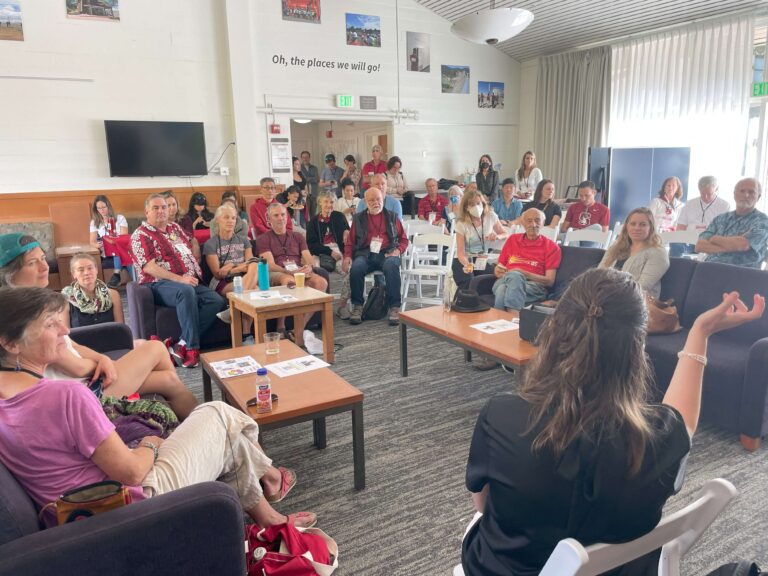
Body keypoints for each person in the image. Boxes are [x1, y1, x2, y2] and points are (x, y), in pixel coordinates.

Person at [461, 267, 764, 576]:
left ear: (553, 330)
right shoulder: (661, 437)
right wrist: (700, 332)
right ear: (638, 348)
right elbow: (683, 421)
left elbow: (483, 506)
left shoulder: (502, 417)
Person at [0, 287, 318, 530]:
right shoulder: (66, 396)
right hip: (130, 505)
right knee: (221, 416)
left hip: (76, 518)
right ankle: (270, 487)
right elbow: (133, 472)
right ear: (10, 343)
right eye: (51, 324)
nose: (65, 331)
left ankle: (268, 509)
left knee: (221, 433)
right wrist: (151, 443)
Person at [0, 233, 198, 419]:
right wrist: (106, 365)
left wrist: (101, 357)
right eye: (32, 263)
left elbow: (72, 344)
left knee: (167, 378)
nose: (44, 267)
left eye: (43, 259)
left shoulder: (39, 304)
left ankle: (184, 426)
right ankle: (196, 426)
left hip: (84, 380)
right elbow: (77, 368)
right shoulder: (23, 317)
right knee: (158, 351)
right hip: (79, 393)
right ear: (9, 275)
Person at [130, 194, 226, 369]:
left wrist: (195, 253)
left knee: (216, 300)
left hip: (187, 280)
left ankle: (180, 343)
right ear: (147, 212)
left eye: (164, 207)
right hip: (158, 283)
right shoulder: (140, 235)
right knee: (185, 291)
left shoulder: (174, 228)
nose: (161, 211)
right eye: (156, 208)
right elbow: (149, 267)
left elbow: (191, 239)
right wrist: (180, 279)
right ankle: (191, 349)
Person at [256, 203, 328, 336]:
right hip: (277, 272)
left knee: (321, 282)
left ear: (287, 217)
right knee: (290, 282)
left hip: (297, 271)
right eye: (276, 215)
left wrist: (309, 267)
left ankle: (299, 327)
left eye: (283, 214)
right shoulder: (263, 239)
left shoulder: (298, 236)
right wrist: (289, 272)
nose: (280, 218)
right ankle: (280, 325)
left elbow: (308, 258)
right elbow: (270, 265)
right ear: (269, 219)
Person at [343, 187, 408, 326]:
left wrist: (398, 251)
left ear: (383, 199)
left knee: (391, 266)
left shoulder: (392, 217)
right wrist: (347, 256)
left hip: (388, 252)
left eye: (378, 199)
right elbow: (350, 242)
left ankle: (394, 307)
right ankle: (358, 306)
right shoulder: (358, 219)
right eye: (371, 200)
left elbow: (404, 240)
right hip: (365, 253)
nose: (375, 202)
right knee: (356, 267)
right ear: (365, 202)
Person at [492, 208, 561, 312]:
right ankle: (514, 317)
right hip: (505, 280)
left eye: (537, 220)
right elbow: (499, 268)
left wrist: (523, 273)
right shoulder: (512, 240)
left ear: (543, 223)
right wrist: (497, 271)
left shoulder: (551, 247)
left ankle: (505, 317)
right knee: (513, 277)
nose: (533, 224)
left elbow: (550, 281)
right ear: (523, 223)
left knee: (503, 289)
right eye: (529, 221)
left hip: (534, 286)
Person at [695, 177, 768, 269]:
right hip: (710, 268)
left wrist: (714, 239)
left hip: (742, 273)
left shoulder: (762, 221)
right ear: (734, 194)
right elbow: (699, 246)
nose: (746, 195)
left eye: (751, 192)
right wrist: (732, 245)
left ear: (758, 197)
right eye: (742, 191)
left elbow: (743, 245)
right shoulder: (720, 218)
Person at [599, 208, 670, 298]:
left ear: (651, 228)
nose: (637, 228)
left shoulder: (658, 253)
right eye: (633, 224)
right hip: (607, 297)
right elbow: (598, 274)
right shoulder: (615, 248)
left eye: (643, 224)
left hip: (636, 301)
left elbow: (642, 287)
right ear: (627, 227)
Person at [453, 189, 508, 290]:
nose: (476, 207)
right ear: (466, 207)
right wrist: (467, 264)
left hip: (481, 258)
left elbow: (504, 233)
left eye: (478, 203)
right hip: (463, 259)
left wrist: (496, 236)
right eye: (472, 204)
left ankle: (482, 298)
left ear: (483, 204)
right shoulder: (461, 223)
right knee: (468, 280)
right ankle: (465, 299)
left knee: (491, 278)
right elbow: (460, 252)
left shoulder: (490, 216)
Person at [307, 193, 351, 318]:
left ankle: (342, 306)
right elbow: (311, 245)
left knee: (350, 272)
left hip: (339, 252)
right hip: (321, 253)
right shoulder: (313, 221)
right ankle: (318, 309)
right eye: (326, 202)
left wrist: (347, 232)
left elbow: (348, 234)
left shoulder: (339, 216)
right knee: (314, 273)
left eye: (331, 202)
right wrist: (330, 252)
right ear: (320, 203)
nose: (329, 205)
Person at [671, 176, 731, 257]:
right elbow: (680, 228)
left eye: (709, 194)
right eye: (702, 194)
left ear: (716, 189)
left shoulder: (724, 206)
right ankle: (677, 264)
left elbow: (724, 231)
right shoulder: (689, 204)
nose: (705, 197)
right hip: (690, 242)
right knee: (675, 244)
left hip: (711, 243)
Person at [62, 253, 125, 327]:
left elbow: (121, 328)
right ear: (74, 274)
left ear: (96, 270)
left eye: (90, 268)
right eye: (81, 270)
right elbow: (65, 332)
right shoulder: (66, 299)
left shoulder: (113, 295)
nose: (86, 273)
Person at [89, 194, 130, 288]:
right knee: (126, 257)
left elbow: (123, 238)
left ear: (108, 206)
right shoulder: (94, 222)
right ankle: (136, 283)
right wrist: (99, 245)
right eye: (99, 208)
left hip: (120, 249)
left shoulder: (120, 218)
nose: (102, 210)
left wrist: (113, 241)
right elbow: (92, 242)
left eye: (104, 207)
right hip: (106, 251)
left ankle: (117, 275)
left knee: (119, 248)